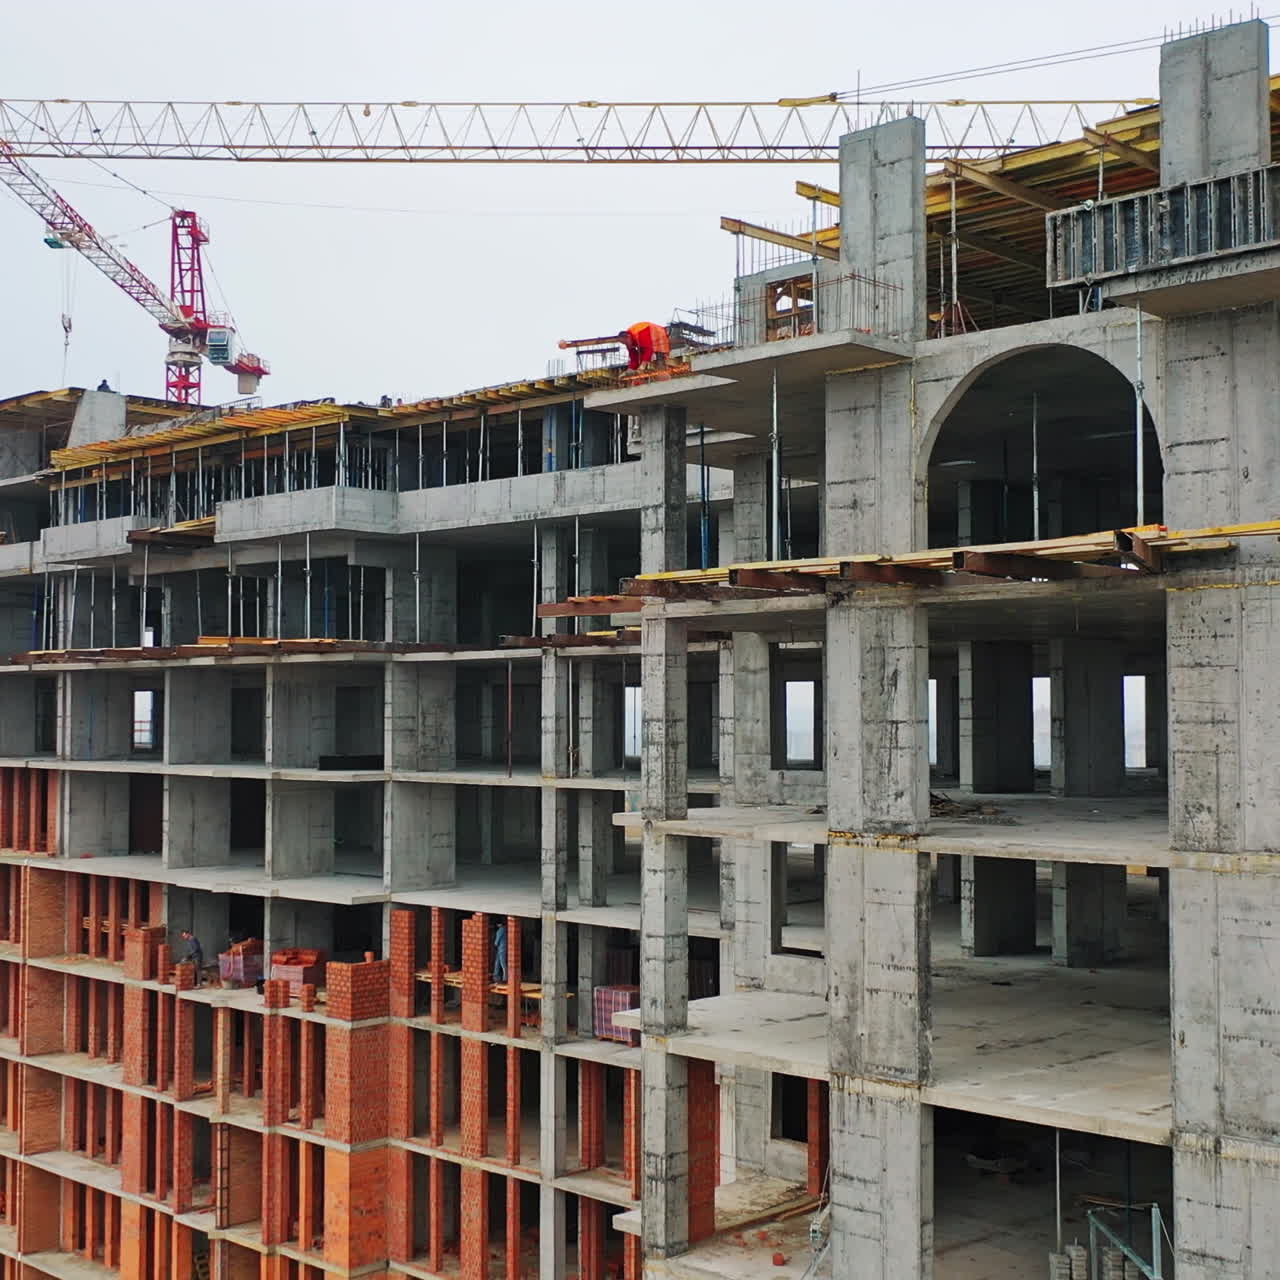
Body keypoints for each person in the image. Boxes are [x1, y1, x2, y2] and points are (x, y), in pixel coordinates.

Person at [492, 918, 507, 984]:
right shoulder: (505, 929)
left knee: (502, 963)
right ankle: (495, 976)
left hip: (501, 948)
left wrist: (494, 945)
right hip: (501, 948)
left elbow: (497, 941)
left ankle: (505, 978)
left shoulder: (500, 930)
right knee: (497, 962)